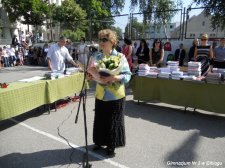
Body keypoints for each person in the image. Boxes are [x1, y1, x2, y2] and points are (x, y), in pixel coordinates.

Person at [87, 29, 131, 157]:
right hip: (101, 94)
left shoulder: (120, 57)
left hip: (116, 96)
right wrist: (90, 76)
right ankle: (100, 141)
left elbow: (127, 76)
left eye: (104, 40)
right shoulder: (96, 57)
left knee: (113, 121)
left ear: (112, 42)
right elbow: (92, 73)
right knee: (100, 119)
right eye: (100, 39)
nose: (101, 42)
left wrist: (113, 78)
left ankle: (112, 145)